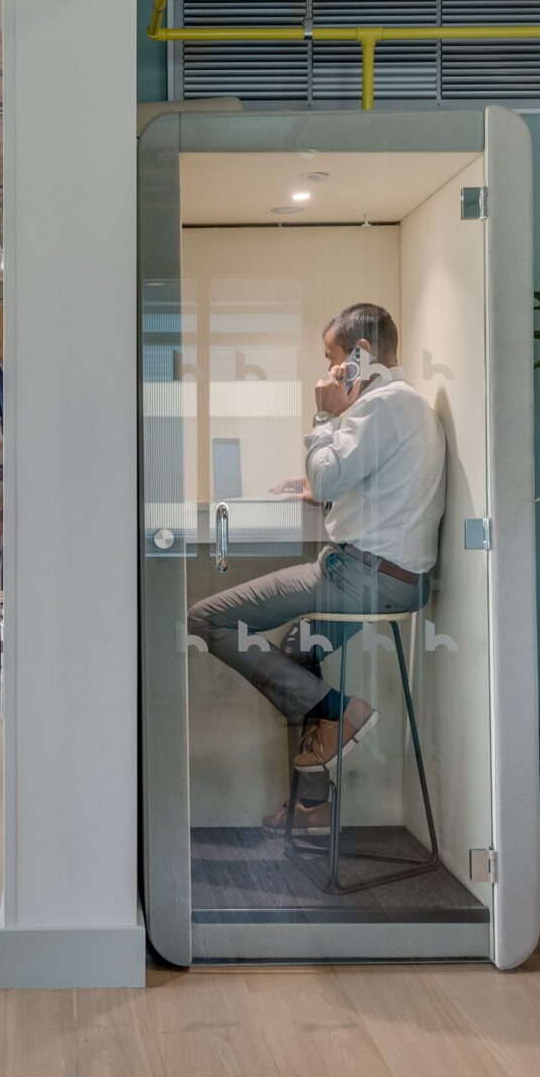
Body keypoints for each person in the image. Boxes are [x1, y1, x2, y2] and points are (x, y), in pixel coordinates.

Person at [187, 302, 446, 832]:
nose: (328, 371)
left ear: (361, 354)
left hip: (361, 576)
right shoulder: (408, 405)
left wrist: (324, 417)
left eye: (331, 358)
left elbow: (329, 476)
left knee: (205, 619)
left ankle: (341, 712)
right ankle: (313, 805)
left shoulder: (381, 405)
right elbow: (363, 488)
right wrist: (317, 489)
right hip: (398, 580)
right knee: (297, 650)